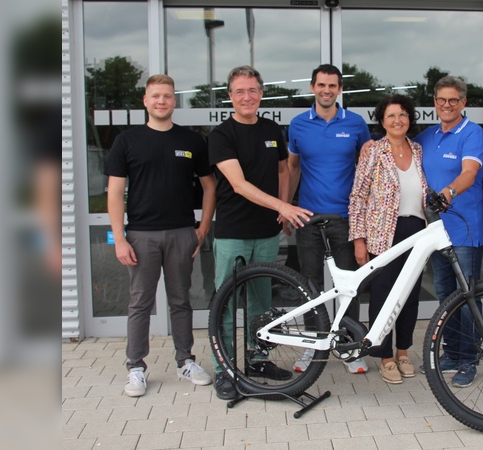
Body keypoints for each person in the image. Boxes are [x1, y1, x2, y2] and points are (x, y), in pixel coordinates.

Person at [106, 74, 215, 397]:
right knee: (140, 302)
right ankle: (136, 367)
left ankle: (186, 360)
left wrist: (203, 228)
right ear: (145, 100)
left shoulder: (192, 141)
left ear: (174, 101)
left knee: (181, 300)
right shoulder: (127, 141)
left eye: (167, 96)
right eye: (155, 96)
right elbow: (115, 193)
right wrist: (120, 238)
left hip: (182, 233)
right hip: (141, 235)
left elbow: (210, 186)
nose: (161, 101)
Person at [208, 65, 312, 400]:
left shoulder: (270, 129)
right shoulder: (222, 135)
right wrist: (283, 207)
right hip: (232, 233)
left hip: (266, 232)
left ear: (262, 94)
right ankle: (224, 368)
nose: (246, 97)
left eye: (252, 90)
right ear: (230, 96)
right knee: (224, 303)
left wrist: (282, 206)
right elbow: (238, 185)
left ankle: (257, 360)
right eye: (239, 91)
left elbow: (283, 168)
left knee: (261, 303)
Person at [287, 64, 372, 374]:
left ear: (339, 89)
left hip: (345, 217)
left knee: (349, 285)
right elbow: (293, 168)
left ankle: (349, 347)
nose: (326, 90)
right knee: (308, 286)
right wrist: (286, 207)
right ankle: (313, 346)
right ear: (312, 87)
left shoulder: (355, 123)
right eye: (321, 84)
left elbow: (366, 170)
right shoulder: (297, 125)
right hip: (308, 217)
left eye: (332, 85)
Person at [414, 76, 483, 388]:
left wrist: (446, 194)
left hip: (464, 231)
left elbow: (469, 172)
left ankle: (470, 359)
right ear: (434, 102)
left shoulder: (472, 133)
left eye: (453, 100)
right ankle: (452, 352)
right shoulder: (427, 136)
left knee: (467, 297)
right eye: (441, 100)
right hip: (435, 232)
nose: (446, 105)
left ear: (463, 103)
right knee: (445, 295)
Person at [348, 95, 427, 384]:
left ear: (410, 119)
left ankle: (403, 351)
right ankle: (385, 357)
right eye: (391, 115)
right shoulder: (373, 151)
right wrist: (359, 239)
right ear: (382, 121)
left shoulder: (417, 150)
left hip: (416, 230)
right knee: (383, 295)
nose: (398, 120)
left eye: (403, 114)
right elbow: (357, 197)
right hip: (383, 234)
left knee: (410, 295)